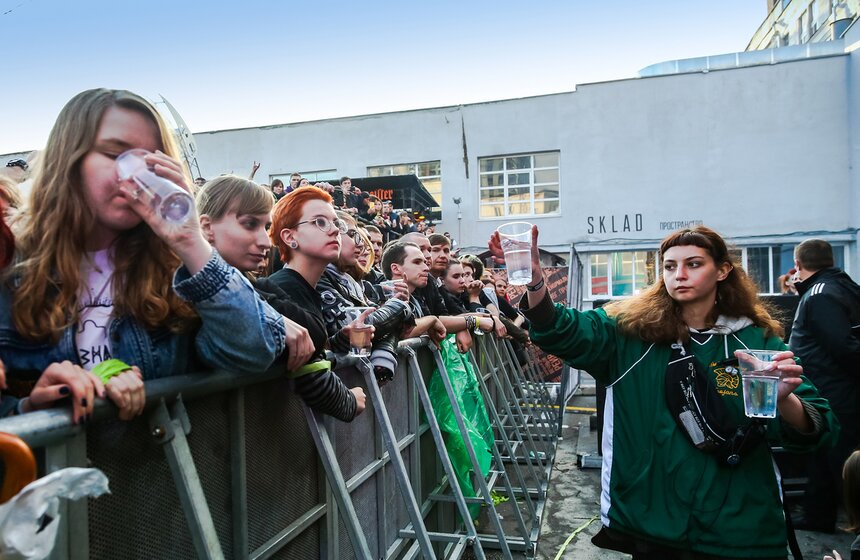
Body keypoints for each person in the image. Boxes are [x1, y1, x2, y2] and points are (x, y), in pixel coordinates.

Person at [489, 224, 839, 559]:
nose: (679, 274)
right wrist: (535, 280)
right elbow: (561, 330)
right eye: (669, 266)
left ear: (722, 271)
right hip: (655, 523)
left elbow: (819, 427)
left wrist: (784, 399)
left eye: (694, 264)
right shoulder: (628, 332)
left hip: (739, 526)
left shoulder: (754, 339)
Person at [0, 88, 286, 425]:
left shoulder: (177, 271)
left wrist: (191, 240)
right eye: (114, 153)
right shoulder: (13, 266)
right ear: (70, 160)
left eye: (152, 159)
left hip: (150, 473)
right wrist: (29, 412)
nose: (134, 173)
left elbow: (254, 350)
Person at [195, 175, 365, 421]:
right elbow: (303, 349)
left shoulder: (260, 288)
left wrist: (336, 341)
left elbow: (312, 341)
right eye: (249, 224)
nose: (265, 240)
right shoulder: (273, 287)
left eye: (265, 227)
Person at [789, 239, 860, 533]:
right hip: (834, 391)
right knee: (823, 455)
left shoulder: (819, 295)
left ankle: (841, 520)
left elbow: (843, 347)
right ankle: (817, 515)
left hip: (832, 392)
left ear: (798, 265)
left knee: (836, 459)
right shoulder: (843, 287)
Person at [315, 211, 414, 384]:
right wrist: (400, 306)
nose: (361, 246)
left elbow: (381, 325)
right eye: (353, 235)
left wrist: (384, 354)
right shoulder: (317, 277)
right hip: (334, 391)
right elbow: (355, 328)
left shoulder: (349, 282)